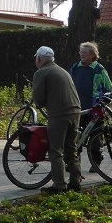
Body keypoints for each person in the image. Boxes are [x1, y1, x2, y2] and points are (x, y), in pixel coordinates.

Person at [31, 45, 82, 193]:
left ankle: (59, 186)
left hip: (59, 114)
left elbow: (38, 100)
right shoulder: (62, 70)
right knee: (71, 149)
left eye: (36, 58)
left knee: (56, 151)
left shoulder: (42, 72)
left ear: (39, 59)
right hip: (75, 112)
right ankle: (75, 182)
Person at [70, 41, 112, 172]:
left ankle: (96, 162)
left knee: (95, 138)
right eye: (80, 52)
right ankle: (73, 163)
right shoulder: (75, 67)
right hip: (77, 107)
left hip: (94, 109)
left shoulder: (99, 69)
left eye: (85, 52)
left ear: (93, 55)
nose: (81, 54)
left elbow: (108, 87)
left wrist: (107, 98)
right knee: (75, 137)